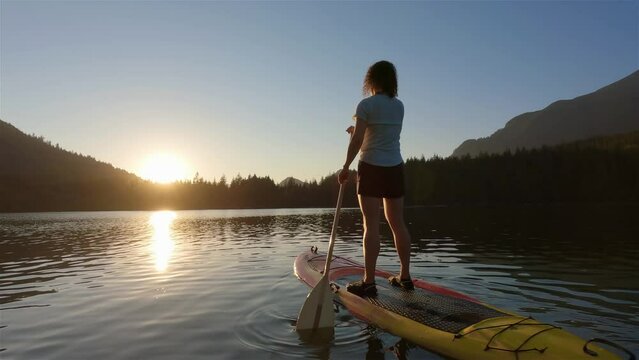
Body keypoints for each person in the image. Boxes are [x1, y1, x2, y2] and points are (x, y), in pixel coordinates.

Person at [338, 60, 413, 297]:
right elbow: (380, 133)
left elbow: (360, 139)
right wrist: (357, 131)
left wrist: (345, 166)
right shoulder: (399, 106)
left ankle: (369, 282)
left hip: (370, 166)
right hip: (394, 168)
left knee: (371, 225)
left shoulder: (365, 105)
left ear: (371, 80)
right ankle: (405, 277)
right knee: (397, 223)